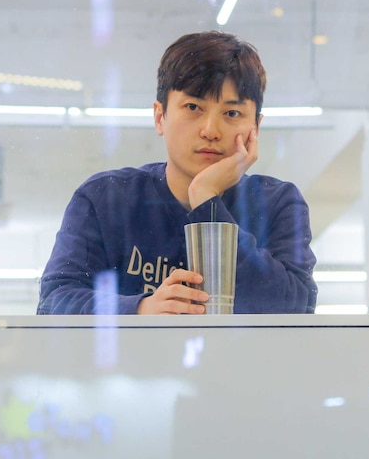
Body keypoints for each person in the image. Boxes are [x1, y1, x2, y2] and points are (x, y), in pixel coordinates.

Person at [37, 31, 317, 315]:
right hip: (134, 360)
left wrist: (206, 200)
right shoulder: (106, 198)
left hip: (241, 361)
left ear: (255, 127)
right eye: (193, 107)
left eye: (232, 114)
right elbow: (54, 302)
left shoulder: (278, 202)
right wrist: (141, 309)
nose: (210, 131)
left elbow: (296, 307)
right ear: (160, 117)